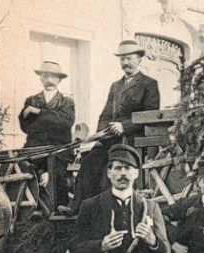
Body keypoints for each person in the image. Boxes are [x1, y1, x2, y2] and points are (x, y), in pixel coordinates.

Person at [65, 40, 160, 214]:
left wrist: (124, 126)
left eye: (130, 58)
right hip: (111, 139)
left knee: (109, 169)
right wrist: (101, 133)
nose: (126, 63)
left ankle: (104, 211)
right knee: (89, 162)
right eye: (122, 59)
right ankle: (78, 207)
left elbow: (151, 115)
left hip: (134, 140)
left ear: (139, 60)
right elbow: (106, 114)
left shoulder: (149, 84)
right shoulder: (115, 86)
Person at [18, 61, 75, 208]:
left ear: (59, 80)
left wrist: (39, 113)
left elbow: (66, 121)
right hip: (34, 148)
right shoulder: (31, 100)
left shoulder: (66, 102)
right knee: (19, 168)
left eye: (53, 77)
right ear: (41, 79)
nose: (49, 80)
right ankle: (27, 210)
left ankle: (58, 212)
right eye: (46, 76)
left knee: (57, 176)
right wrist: (52, 120)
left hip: (59, 149)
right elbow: (26, 127)